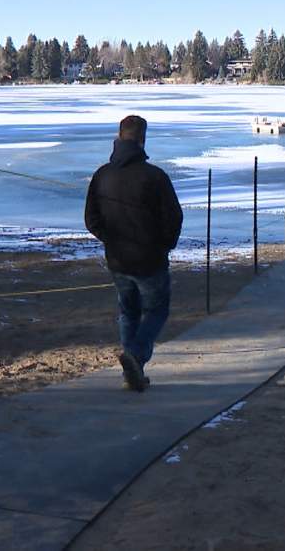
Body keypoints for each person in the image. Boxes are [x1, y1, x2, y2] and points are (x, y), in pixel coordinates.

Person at [85, 115, 183, 392]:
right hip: (149, 259)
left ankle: (133, 369)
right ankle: (136, 357)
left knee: (128, 311)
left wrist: (111, 240)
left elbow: (91, 218)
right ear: (142, 139)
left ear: (119, 136)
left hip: (118, 259)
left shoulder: (102, 175)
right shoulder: (155, 177)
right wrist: (163, 245)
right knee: (156, 310)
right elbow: (173, 217)